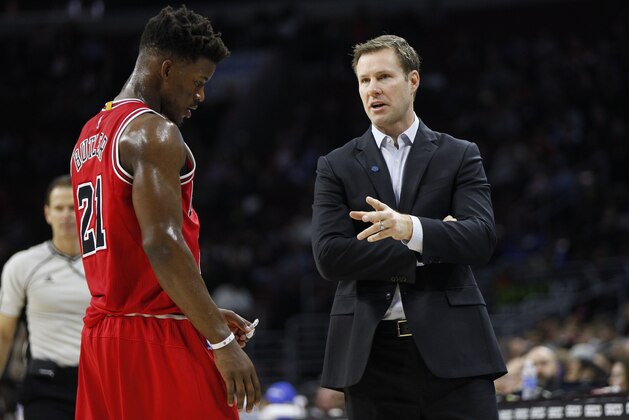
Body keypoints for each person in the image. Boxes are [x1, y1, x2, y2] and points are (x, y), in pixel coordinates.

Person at [69, 5, 260, 419]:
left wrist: (197, 309)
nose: (201, 96)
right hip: (152, 338)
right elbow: (162, 245)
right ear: (167, 69)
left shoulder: (89, 134)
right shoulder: (154, 130)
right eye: (198, 82)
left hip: (103, 336)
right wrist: (220, 342)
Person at [311, 34, 507, 419]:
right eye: (364, 81)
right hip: (371, 359)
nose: (373, 90)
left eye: (384, 77)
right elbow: (331, 256)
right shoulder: (335, 165)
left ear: (413, 81)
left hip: (456, 352)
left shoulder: (459, 154)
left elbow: (480, 238)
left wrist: (409, 227)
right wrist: (428, 238)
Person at [0, 174, 90, 419]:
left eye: (73, 207)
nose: (66, 215)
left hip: (98, 380)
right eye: (59, 208)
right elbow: (4, 333)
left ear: (85, 211)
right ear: (47, 213)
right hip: (45, 385)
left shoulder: (107, 265)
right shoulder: (23, 265)